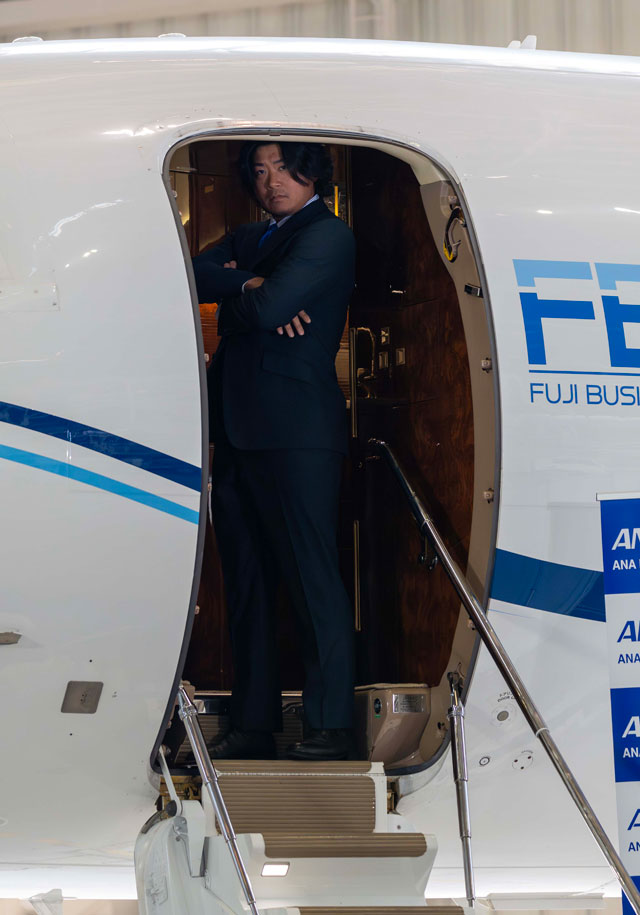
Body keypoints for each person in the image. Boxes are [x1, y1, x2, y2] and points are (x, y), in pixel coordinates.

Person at [192, 141, 356, 761]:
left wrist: (248, 299)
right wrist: (253, 284)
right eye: (260, 172)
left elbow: (269, 310)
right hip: (236, 431)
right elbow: (193, 272)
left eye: (285, 168)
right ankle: (252, 725)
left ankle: (330, 726)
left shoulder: (328, 234)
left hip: (297, 433)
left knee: (312, 581)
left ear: (311, 173)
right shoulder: (249, 235)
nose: (272, 182)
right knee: (247, 585)